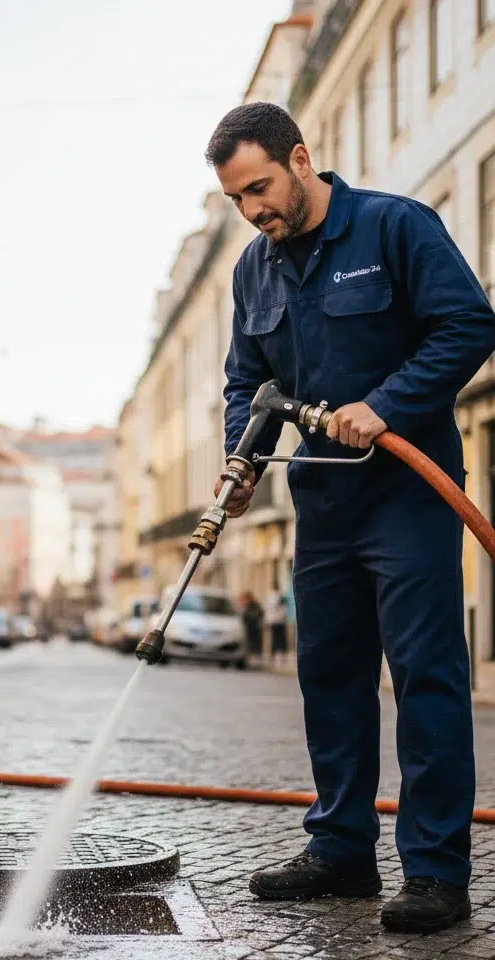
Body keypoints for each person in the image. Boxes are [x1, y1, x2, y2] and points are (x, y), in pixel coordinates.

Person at [205, 101, 495, 934]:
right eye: (236, 200)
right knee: (328, 678)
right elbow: (245, 382)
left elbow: (469, 324)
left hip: (410, 494)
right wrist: (242, 459)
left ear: (301, 159)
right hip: (321, 501)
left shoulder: (395, 227)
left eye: (260, 187)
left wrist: (387, 404)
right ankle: (342, 851)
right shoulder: (253, 271)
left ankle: (436, 872)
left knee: (426, 678)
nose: (254, 210)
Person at [240, 592, 264, 658]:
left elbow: (260, 613)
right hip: (249, 626)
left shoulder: (255, 605)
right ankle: (251, 654)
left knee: (256, 642)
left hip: (255, 626)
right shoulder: (245, 606)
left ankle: (257, 654)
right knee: (250, 641)